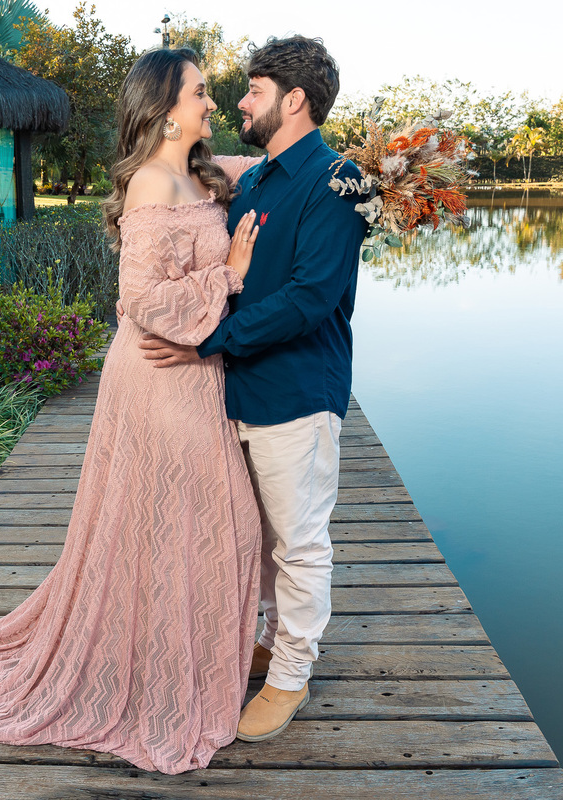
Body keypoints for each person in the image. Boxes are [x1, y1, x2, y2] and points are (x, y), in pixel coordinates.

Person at [0, 48, 266, 775]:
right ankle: (160, 673)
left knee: (200, 522)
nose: (212, 100)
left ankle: (186, 656)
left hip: (195, 372)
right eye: (202, 92)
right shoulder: (148, 183)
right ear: (166, 107)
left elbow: (261, 165)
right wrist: (227, 276)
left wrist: (362, 172)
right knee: (206, 517)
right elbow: (142, 300)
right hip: (157, 376)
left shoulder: (198, 171)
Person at [139, 36, 369, 743]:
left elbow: (308, 298)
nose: (240, 101)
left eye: (254, 90)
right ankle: (270, 639)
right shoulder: (260, 178)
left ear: (293, 100)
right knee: (257, 537)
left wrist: (206, 341)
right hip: (233, 392)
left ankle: (293, 675)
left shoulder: (338, 181)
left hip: (297, 393)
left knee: (298, 543)